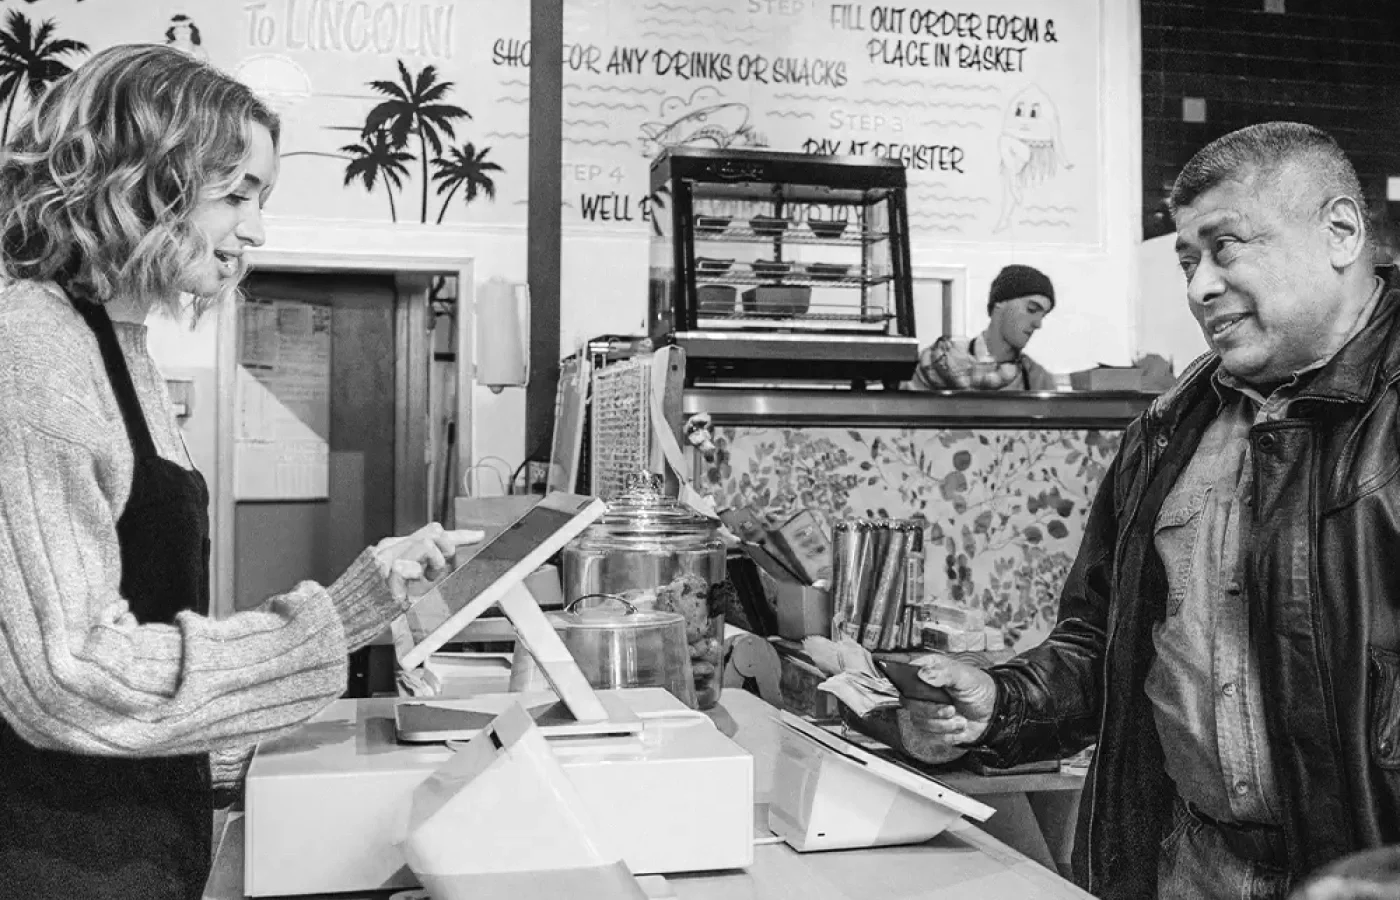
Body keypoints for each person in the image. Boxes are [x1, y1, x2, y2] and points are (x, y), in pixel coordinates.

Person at [0, 45, 482, 899]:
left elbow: (139, 614)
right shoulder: (33, 351)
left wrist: (362, 599)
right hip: (54, 856)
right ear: (136, 182)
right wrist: (322, 631)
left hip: (136, 836)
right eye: (236, 195)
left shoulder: (119, 347)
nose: (256, 230)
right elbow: (68, 675)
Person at [903, 121, 1400, 899]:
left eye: (1226, 247)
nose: (1200, 286)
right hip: (1188, 867)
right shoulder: (1170, 429)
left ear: (1339, 232)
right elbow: (1102, 642)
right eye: (1187, 261)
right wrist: (1001, 701)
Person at [908, 263, 1058, 391]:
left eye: (1042, 315)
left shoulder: (1037, 379)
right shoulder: (936, 365)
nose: (1038, 324)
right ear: (999, 303)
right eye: (1031, 310)